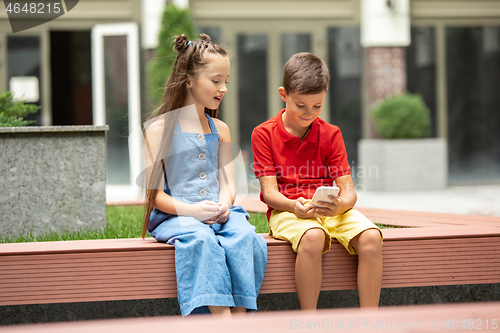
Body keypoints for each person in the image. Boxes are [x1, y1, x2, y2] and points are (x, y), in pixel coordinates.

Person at [141, 33, 267, 317]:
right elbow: (155, 197)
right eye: (215, 80)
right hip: (177, 216)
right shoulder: (158, 130)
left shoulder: (221, 129)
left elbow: (229, 184)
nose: (223, 88)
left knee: (246, 237)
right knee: (202, 241)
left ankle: (241, 317)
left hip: (219, 212)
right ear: (188, 79)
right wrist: (191, 210)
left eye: (226, 81)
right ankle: (223, 321)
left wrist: (224, 205)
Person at [251, 52, 383, 310]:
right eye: (300, 105)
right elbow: (269, 194)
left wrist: (340, 206)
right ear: (283, 94)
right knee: (313, 236)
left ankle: (370, 322)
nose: (308, 113)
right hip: (287, 210)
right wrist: (293, 206)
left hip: (330, 210)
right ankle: (309, 322)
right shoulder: (263, 134)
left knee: (371, 238)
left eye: (317, 106)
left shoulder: (331, 134)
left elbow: (349, 193)